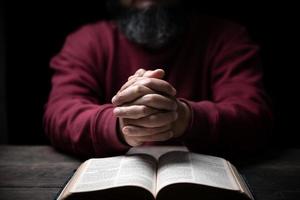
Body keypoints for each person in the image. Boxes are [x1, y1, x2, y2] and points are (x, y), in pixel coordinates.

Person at [44, 0, 273, 158]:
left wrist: (184, 117)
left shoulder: (227, 38)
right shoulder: (86, 41)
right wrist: (120, 123)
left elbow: (253, 116)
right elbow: (59, 113)